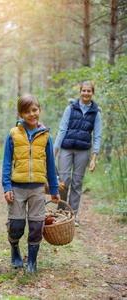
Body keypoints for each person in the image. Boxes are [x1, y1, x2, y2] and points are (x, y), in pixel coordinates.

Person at [2, 94, 60, 273]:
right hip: (17, 188)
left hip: (37, 189)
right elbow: (6, 163)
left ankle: (32, 262)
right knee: (16, 226)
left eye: (34, 110)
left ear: (39, 111)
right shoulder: (13, 135)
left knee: (36, 226)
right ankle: (15, 250)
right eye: (26, 111)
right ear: (20, 114)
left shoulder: (46, 136)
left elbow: (50, 165)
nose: (31, 114)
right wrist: (7, 187)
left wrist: (54, 189)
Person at [54, 81, 102, 226]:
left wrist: (94, 158)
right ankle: (59, 212)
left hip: (83, 152)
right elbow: (62, 130)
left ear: (92, 93)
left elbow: (97, 136)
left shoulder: (96, 113)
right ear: (80, 92)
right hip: (66, 149)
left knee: (77, 183)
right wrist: (54, 152)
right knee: (63, 181)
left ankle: (72, 215)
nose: (86, 93)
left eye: (89, 91)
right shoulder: (70, 108)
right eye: (84, 91)